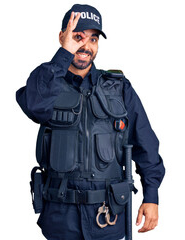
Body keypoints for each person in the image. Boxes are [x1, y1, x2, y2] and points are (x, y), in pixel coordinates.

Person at [16, 4, 165, 240]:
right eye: (78, 37)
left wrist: (151, 196)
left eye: (93, 39)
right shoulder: (47, 81)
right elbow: (34, 106)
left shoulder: (119, 88)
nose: (86, 46)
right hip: (61, 218)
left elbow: (145, 142)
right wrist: (63, 55)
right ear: (62, 37)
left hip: (109, 217)